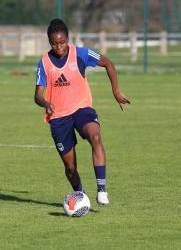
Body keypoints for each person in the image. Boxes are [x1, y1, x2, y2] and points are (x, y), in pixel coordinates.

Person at [34, 18, 131, 206]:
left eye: (62, 42)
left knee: (95, 137)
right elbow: (37, 95)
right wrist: (45, 102)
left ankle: (102, 190)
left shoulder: (81, 54)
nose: (59, 47)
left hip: (82, 109)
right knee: (70, 167)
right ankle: (81, 195)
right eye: (54, 44)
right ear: (49, 42)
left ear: (68, 39)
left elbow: (108, 63)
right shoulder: (44, 63)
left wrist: (116, 91)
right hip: (59, 118)